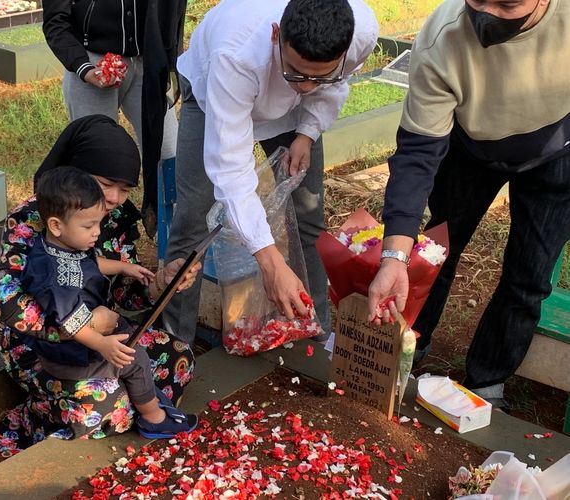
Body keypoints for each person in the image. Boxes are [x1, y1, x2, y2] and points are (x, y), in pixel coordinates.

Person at [367, 0, 569, 411]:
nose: (487, 13)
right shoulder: (442, 37)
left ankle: (488, 378)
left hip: (556, 153)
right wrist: (393, 256)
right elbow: (418, 153)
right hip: (470, 149)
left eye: (507, 3)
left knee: (528, 275)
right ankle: (411, 341)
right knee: (438, 249)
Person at [162, 0, 379, 344]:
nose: (306, 86)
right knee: (194, 219)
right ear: (276, 36)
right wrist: (270, 261)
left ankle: (315, 335)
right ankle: (174, 345)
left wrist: (307, 131)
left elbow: (332, 87)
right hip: (213, 94)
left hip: (295, 115)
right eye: (296, 73)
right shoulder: (234, 56)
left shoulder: (361, 31)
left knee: (309, 219)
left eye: (318, 76)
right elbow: (232, 169)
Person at [0, 115, 199, 455]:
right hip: (42, 347)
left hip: (100, 342)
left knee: (179, 358)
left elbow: (123, 296)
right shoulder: (35, 218)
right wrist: (83, 328)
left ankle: (125, 402)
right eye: (106, 184)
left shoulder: (116, 218)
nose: (116, 198)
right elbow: (6, 303)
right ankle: (49, 411)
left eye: (127, 188)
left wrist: (162, 283)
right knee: (105, 404)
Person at [20, 167, 198, 439]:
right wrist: (103, 345)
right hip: (72, 354)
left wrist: (124, 267)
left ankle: (144, 396)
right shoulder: (54, 275)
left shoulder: (62, 245)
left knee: (137, 343)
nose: (96, 233)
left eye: (98, 224)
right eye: (89, 226)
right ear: (56, 224)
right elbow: (73, 321)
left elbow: (91, 261)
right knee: (135, 358)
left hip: (84, 341)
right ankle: (154, 418)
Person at [42, 0, 185, 230]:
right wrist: (85, 68)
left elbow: (175, 9)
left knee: (169, 154)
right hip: (92, 61)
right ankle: (92, 245)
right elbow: (55, 22)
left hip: (150, 61)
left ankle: (174, 244)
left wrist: (172, 61)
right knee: (94, 163)